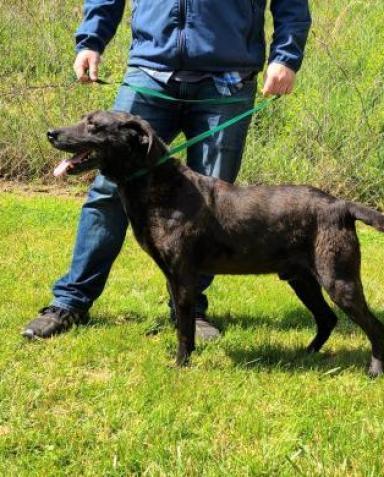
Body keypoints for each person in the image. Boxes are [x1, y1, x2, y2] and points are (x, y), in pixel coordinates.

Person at [22, 0, 311, 340]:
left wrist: (285, 56)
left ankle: (189, 308)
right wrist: (91, 39)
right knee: (107, 193)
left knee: (211, 206)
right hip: (150, 71)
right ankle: (69, 302)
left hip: (228, 79)